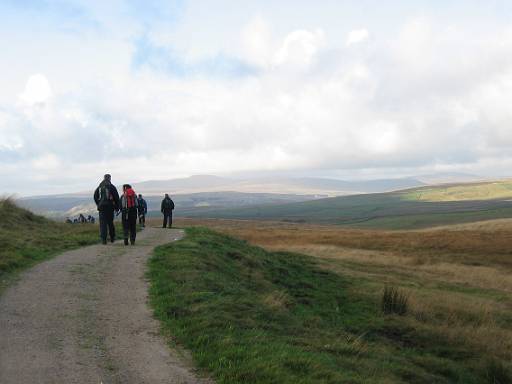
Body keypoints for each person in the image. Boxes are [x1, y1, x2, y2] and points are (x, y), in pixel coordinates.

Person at [93, 174, 120, 245]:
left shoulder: (99, 187)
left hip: (102, 208)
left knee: (103, 224)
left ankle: (103, 240)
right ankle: (112, 238)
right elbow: (116, 198)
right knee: (110, 223)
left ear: (104, 178)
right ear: (110, 178)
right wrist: (117, 207)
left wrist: (98, 204)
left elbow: (95, 196)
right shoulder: (112, 187)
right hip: (110, 207)